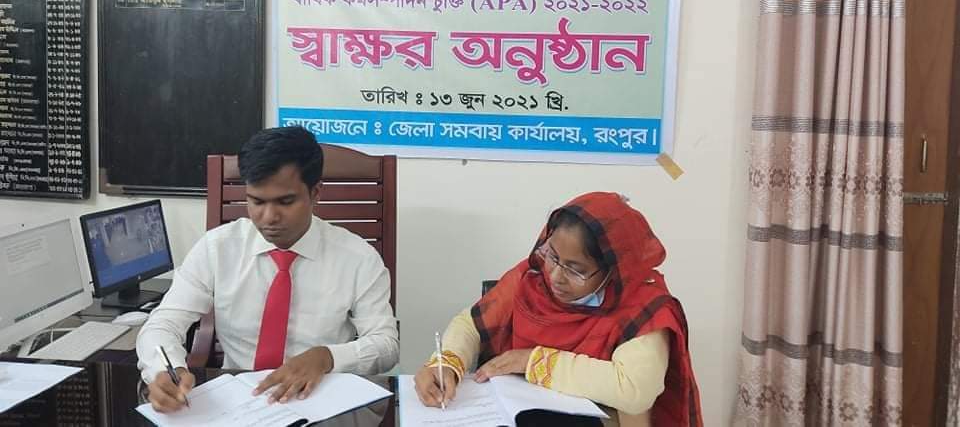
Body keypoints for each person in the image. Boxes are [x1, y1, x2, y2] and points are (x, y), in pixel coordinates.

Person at [137, 126, 399, 413]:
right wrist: (167, 370)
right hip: (238, 402)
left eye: (286, 202)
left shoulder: (358, 258)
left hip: (321, 400)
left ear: (315, 193)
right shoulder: (217, 248)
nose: (269, 217)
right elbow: (164, 323)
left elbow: (386, 345)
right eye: (257, 201)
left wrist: (327, 357)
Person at [414, 192, 702, 426]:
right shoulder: (532, 278)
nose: (555, 276)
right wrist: (447, 362)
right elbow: (471, 324)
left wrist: (534, 362)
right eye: (552, 256)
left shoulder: (643, 307)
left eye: (576, 270)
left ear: (613, 270)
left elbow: (634, 389)